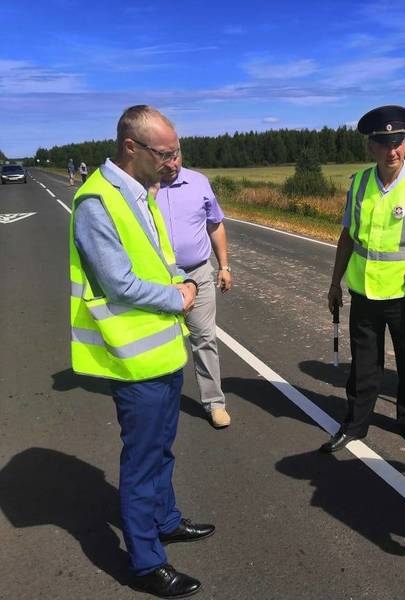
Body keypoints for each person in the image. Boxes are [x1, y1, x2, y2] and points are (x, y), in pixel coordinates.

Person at [69, 105, 214, 598]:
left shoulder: (140, 194)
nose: (173, 161)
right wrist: (180, 296)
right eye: (165, 152)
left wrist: (179, 279)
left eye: (176, 151)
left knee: (161, 450)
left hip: (163, 351)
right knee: (142, 461)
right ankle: (147, 561)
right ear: (131, 148)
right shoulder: (98, 201)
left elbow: (155, 262)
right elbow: (119, 282)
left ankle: (166, 519)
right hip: (134, 359)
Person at [321, 105, 405, 453]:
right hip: (364, 289)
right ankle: (356, 423)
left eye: (398, 142)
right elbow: (347, 236)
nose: (393, 151)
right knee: (364, 364)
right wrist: (335, 283)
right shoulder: (360, 182)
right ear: (371, 147)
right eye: (384, 143)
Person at [156, 153, 233, 429]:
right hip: (158, 277)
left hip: (198, 272)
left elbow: (215, 224)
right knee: (162, 341)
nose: (173, 163)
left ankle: (215, 404)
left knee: (204, 338)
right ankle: (160, 403)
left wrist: (224, 266)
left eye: (176, 155)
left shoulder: (199, 182)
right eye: (165, 158)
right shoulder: (142, 187)